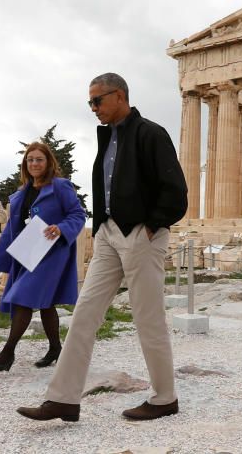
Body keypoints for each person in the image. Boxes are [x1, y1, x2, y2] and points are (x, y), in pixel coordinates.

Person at [18, 72, 188, 422]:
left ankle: (164, 397)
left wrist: (152, 225)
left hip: (142, 234)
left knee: (147, 317)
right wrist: (101, 230)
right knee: (84, 314)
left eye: (98, 100)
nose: (93, 108)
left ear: (120, 96)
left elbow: (175, 189)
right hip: (108, 234)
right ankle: (63, 399)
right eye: (90, 102)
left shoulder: (152, 133)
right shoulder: (106, 139)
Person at [0, 142, 86, 371]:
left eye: (39, 159)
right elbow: (12, 228)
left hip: (52, 253)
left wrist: (61, 228)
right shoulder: (22, 194)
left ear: (48, 162)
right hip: (28, 252)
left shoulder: (60, 186)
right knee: (46, 303)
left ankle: (7, 353)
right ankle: (55, 348)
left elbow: (78, 215)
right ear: (25, 164)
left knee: (22, 298)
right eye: (30, 160)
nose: (34, 163)